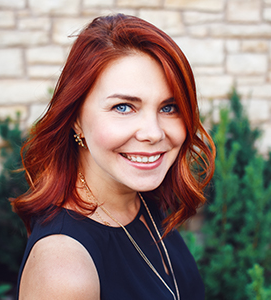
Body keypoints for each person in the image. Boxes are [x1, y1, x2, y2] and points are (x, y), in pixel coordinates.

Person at [13, 14, 215, 300]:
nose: (153, 133)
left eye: (168, 107)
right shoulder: (64, 270)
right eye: (123, 107)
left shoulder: (140, 199)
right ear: (76, 119)